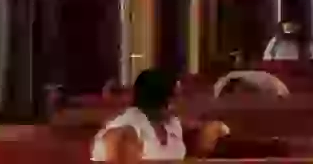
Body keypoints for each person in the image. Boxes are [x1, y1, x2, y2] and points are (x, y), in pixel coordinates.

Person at [91, 68, 229, 162]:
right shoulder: (126, 128)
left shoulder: (171, 124)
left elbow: (201, 129)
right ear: (167, 100)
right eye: (180, 95)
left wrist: (211, 130)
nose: (186, 100)